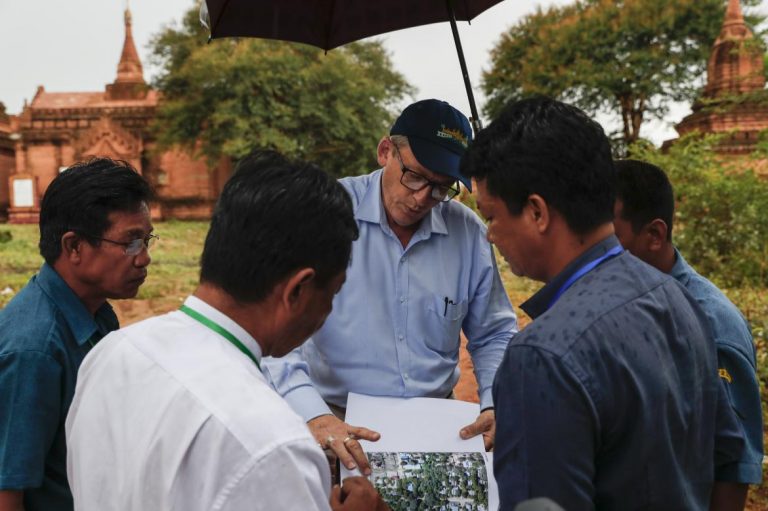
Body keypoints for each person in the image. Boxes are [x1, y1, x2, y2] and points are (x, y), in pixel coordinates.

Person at [460, 97, 745, 509]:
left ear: (537, 212)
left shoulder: (542, 356)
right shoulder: (680, 299)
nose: (490, 235)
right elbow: (726, 453)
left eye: (492, 217)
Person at [65, 151, 387, 511]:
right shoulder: (275, 446)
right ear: (297, 290)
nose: (326, 313)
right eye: (333, 293)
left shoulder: (115, 352)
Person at [264, 99, 518, 473]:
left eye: (440, 188)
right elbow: (276, 333)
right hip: (337, 425)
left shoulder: (468, 234)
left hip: (437, 426)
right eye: (414, 177)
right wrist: (314, 415)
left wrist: (494, 401)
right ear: (386, 151)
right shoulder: (321, 214)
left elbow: (494, 332)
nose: (421, 198)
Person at [0, 158, 153, 511]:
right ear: (74, 247)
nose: (143, 258)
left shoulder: (96, 313)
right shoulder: (33, 351)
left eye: (147, 240)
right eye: (131, 242)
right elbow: (8, 494)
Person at [613, 159, 763, 510]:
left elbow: (733, 463)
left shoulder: (711, 325)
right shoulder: (622, 298)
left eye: (611, 239)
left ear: (654, 235)